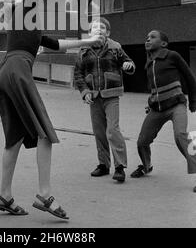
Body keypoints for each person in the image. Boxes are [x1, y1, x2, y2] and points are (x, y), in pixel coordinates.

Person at [0, 0, 104, 220]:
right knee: (45, 134)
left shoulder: (29, 30)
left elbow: (59, 45)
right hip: (17, 71)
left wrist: (89, 40)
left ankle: (4, 194)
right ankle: (44, 193)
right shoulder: (24, 8)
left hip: (4, 74)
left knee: (14, 139)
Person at [131, 30, 196, 192]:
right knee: (142, 142)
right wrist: (151, 102)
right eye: (146, 37)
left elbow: (190, 77)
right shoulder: (148, 63)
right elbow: (153, 88)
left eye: (152, 37)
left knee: (181, 136)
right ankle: (146, 166)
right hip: (157, 109)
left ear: (163, 44)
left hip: (176, 105)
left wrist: (193, 102)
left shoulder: (172, 56)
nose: (148, 39)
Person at [74, 17, 135, 183]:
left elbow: (127, 61)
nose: (98, 30)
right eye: (94, 28)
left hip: (111, 94)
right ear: (89, 33)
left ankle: (120, 166)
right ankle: (103, 164)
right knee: (99, 131)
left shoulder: (115, 48)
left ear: (107, 33)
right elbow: (78, 74)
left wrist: (128, 66)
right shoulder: (83, 50)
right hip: (94, 96)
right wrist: (85, 91)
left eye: (102, 28)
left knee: (112, 130)